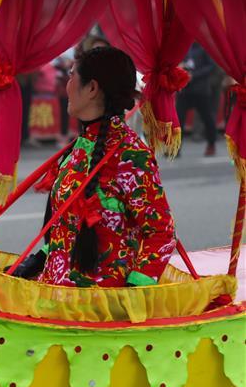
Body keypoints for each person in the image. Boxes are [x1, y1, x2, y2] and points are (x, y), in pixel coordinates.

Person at [12, 46, 176, 288]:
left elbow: (161, 234)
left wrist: (132, 295)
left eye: (71, 76)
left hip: (99, 308)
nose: (65, 86)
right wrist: (39, 260)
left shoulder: (131, 155)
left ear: (91, 88)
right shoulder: (80, 145)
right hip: (54, 295)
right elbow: (70, 229)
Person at [177, 44, 220, 157]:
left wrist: (194, 75)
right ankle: (176, 147)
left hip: (201, 89)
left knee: (207, 118)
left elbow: (211, 66)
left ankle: (211, 143)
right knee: (178, 119)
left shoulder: (204, 47)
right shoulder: (183, 46)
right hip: (184, 89)